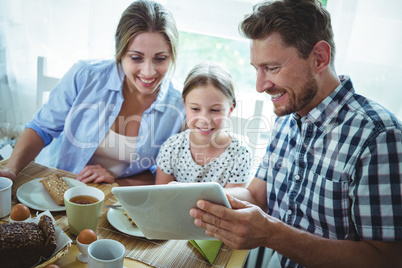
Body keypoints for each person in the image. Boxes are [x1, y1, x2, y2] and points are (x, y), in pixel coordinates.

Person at [190, 0, 402, 267]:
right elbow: (257, 196)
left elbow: (388, 259)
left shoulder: (378, 137)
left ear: (319, 58)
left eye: (272, 68)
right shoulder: (288, 116)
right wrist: (199, 197)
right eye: (257, 69)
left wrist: (272, 234)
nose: (260, 85)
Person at [0, 0, 185, 185]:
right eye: (136, 58)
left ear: (172, 56)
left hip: (116, 200)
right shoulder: (85, 75)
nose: (148, 72)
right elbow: (42, 129)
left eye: (160, 59)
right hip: (57, 180)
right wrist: (11, 169)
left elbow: (160, 175)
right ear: (120, 53)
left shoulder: (180, 106)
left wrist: (116, 181)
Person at [155, 62, 251, 188]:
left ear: (230, 109)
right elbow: (161, 198)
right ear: (184, 104)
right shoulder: (171, 148)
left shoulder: (239, 154)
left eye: (215, 110)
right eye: (195, 109)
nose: (204, 119)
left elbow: (232, 204)